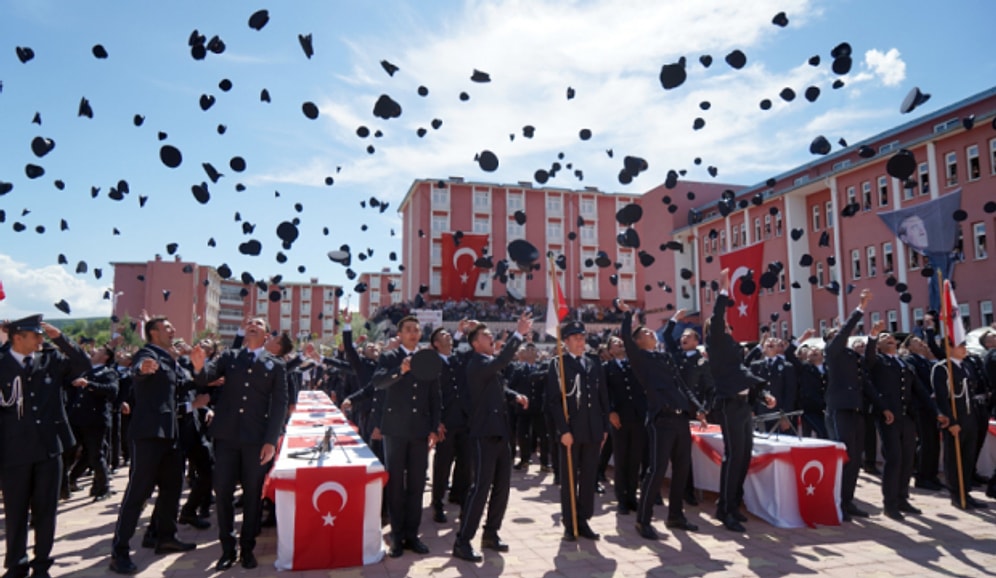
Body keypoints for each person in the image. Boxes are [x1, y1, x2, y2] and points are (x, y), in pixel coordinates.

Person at [189, 317, 288, 571]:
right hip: (226, 438)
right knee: (222, 492)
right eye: (250, 322)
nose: (252, 323)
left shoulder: (275, 365)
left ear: (266, 335)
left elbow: (278, 406)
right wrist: (199, 367)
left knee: (253, 495)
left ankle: (247, 548)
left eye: (259, 322)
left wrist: (270, 441)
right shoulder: (229, 357)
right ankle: (227, 548)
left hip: (256, 440)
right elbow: (205, 379)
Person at [1, 315, 90, 578]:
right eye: (36, 335)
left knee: (46, 510)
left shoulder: (51, 360)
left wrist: (59, 338)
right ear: (18, 338)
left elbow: (83, 364)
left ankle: (41, 564)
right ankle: (17, 564)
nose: (41, 339)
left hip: (49, 448)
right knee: (16, 511)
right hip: (13, 450)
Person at [110, 316, 196, 575]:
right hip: (148, 435)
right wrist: (141, 368)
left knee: (172, 488)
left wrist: (204, 377)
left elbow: (180, 387)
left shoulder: (169, 358)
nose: (173, 330)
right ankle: (120, 551)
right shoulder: (147, 354)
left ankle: (165, 537)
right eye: (168, 327)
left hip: (169, 434)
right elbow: (139, 367)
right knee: (138, 493)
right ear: (154, 332)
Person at [620, 303, 707, 539]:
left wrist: (697, 409)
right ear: (638, 342)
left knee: (682, 469)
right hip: (662, 420)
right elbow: (625, 337)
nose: (650, 333)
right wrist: (628, 314)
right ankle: (643, 520)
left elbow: (682, 387)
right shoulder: (639, 359)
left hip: (681, 420)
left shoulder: (665, 358)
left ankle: (676, 516)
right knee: (656, 470)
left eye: (650, 331)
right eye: (645, 333)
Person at [452, 314, 531, 562]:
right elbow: (502, 362)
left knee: (502, 487)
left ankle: (491, 533)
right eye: (486, 335)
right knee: (481, 488)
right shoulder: (476, 363)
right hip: (483, 433)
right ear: (475, 343)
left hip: (500, 431)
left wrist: (514, 394)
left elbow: (498, 386)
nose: (490, 337)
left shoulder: (489, 364)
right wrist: (518, 335)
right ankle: (463, 541)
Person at [708, 269, 775, 532]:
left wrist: (763, 394)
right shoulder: (715, 341)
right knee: (734, 456)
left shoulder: (731, 346)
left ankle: (734, 503)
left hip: (743, 406)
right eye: (723, 323)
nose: (726, 324)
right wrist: (724, 290)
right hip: (728, 405)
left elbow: (744, 374)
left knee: (744, 455)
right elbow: (716, 317)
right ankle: (724, 510)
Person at [371, 316, 441, 558]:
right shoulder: (390, 357)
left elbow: (434, 396)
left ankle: (413, 535)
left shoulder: (428, 359)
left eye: (416, 330)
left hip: (420, 430)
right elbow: (378, 383)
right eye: (408, 330)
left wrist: (434, 426)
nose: (412, 333)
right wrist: (400, 370)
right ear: (399, 334)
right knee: (396, 486)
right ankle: (397, 536)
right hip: (395, 430)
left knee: (417, 484)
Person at [864, 322, 948, 520]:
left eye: (890, 337)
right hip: (888, 417)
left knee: (908, 459)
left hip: (907, 417)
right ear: (879, 345)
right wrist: (873, 336)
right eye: (884, 338)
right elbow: (868, 358)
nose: (889, 338)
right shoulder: (877, 361)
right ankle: (890, 503)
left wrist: (937, 412)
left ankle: (902, 497)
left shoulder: (904, 364)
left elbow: (920, 390)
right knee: (894, 458)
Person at [824, 289, 889, 521]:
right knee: (843, 456)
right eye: (836, 335)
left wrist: (872, 337)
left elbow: (869, 363)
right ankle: (836, 501)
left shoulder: (852, 358)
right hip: (839, 409)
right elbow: (843, 334)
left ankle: (848, 501)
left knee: (855, 457)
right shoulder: (832, 353)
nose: (842, 338)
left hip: (857, 410)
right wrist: (860, 308)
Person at [547, 320, 611, 542]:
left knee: (589, 478)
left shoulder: (593, 363)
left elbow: (603, 397)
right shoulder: (558, 365)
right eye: (575, 338)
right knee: (569, 479)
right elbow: (554, 402)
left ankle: (583, 520)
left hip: (593, 430)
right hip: (571, 432)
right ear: (565, 342)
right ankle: (570, 522)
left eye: (582, 337)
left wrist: (604, 427)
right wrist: (563, 431)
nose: (580, 341)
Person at [932, 337, 989, 509]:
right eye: (960, 345)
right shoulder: (942, 368)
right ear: (949, 348)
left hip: (970, 418)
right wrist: (951, 421)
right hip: (955, 420)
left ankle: (966, 492)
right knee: (954, 459)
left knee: (968, 458)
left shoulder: (965, 366)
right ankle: (956, 494)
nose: (964, 348)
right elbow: (941, 398)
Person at [65, 344, 119, 502]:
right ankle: (68, 482)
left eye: (99, 351)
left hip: (94, 420)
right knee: (71, 453)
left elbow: (112, 390)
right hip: (78, 419)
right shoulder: (87, 371)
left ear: (106, 357)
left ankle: (103, 488)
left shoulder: (108, 372)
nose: (94, 352)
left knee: (96, 455)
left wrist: (89, 385)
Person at [429, 326, 472, 524]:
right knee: (443, 464)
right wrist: (435, 422)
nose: (449, 337)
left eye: (449, 334)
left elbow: (473, 351)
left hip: (463, 419)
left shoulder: (457, 359)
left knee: (465, 462)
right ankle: (437, 502)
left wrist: (469, 331)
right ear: (436, 344)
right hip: (445, 422)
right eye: (444, 335)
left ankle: (459, 495)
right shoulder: (433, 364)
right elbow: (429, 396)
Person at [602, 335, 646, 515]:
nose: (620, 344)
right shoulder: (606, 368)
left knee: (635, 459)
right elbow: (604, 393)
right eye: (615, 343)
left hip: (637, 418)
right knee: (621, 459)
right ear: (610, 351)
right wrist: (610, 411)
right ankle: (621, 498)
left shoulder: (634, 364)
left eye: (621, 341)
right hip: (618, 419)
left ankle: (632, 497)